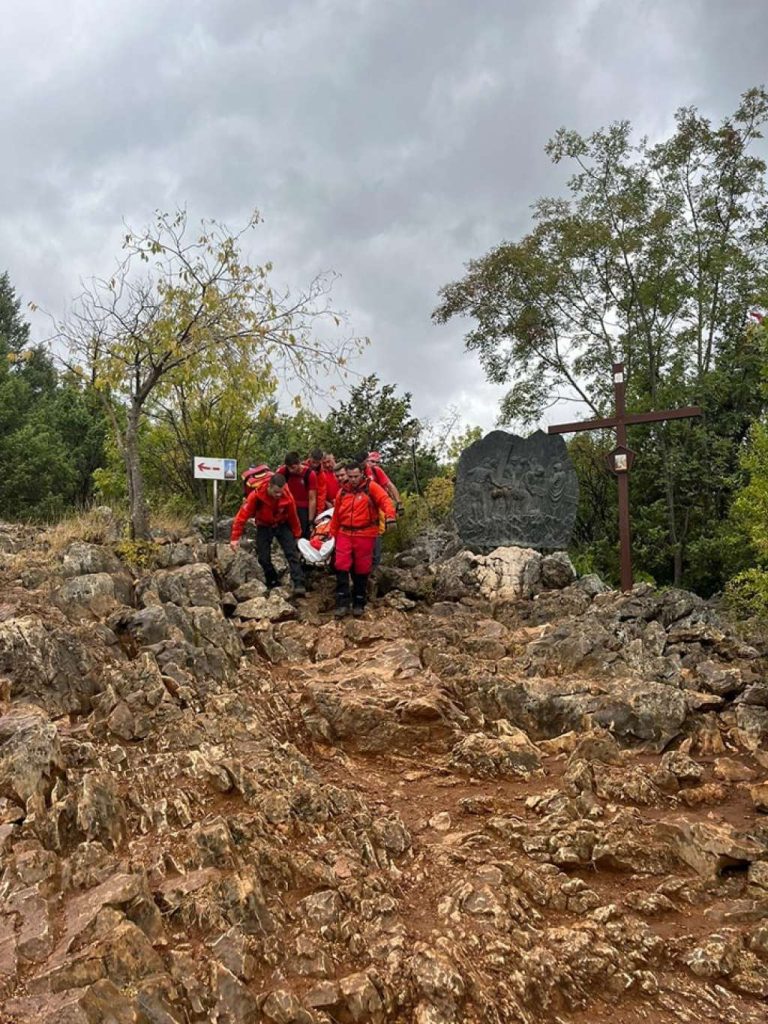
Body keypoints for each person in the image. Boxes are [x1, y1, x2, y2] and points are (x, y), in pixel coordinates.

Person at [329, 461, 395, 617]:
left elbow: (385, 500)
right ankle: (342, 602)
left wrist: (390, 517)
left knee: (362, 568)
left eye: (356, 476)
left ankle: (359, 601)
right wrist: (332, 534)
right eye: (350, 476)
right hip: (345, 532)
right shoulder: (342, 492)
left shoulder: (371, 487)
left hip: (365, 533)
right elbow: (337, 515)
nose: (352, 480)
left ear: (362, 474)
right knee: (340, 565)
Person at [230, 473, 306, 596]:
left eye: (280, 492)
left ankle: (299, 583)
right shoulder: (255, 496)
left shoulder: (287, 496)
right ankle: (273, 581)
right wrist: (234, 538)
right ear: (269, 487)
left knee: (291, 552)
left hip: (282, 523)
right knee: (263, 557)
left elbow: (293, 517)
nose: (278, 495)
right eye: (276, 492)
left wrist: (297, 535)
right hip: (264, 525)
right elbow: (241, 516)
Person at [277, 451, 317, 539]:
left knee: (302, 533)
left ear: (299, 463)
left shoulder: (309, 474)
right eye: (288, 467)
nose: (291, 470)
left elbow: (312, 498)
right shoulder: (284, 471)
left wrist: (310, 519)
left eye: (293, 467)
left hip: (303, 508)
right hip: (288, 506)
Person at [304, 448, 327, 516]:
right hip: (301, 504)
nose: (315, 465)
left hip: (313, 505)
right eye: (313, 462)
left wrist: (319, 512)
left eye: (317, 463)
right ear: (309, 457)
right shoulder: (302, 468)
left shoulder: (321, 474)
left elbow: (322, 494)